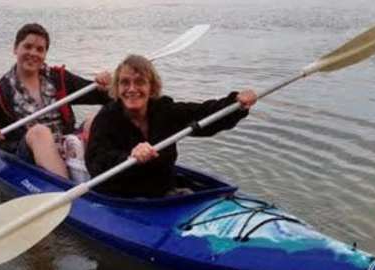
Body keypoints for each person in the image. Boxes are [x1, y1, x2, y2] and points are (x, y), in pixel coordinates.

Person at [85, 54, 257, 198]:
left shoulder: (164, 110)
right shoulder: (107, 118)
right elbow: (95, 164)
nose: (131, 89)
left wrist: (236, 104)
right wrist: (129, 157)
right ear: (117, 88)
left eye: (140, 82)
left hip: (163, 192)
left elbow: (204, 114)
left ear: (152, 88)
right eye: (125, 82)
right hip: (120, 197)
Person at [0, 23, 111, 179]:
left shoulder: (59, 78)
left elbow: (104, 97)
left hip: (66, 144)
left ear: (45, 54)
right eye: (28, 46)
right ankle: (65, 186)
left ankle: (106, 179)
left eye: (39, 49)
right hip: (27, 154)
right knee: (40, 132)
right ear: (15, 49)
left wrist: (105, 85)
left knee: (96, 119)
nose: (33, 53)